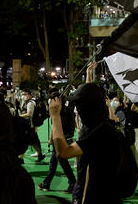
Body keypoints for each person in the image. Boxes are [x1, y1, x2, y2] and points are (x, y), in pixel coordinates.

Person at [49, 61, 123, 204]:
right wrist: (89, 74)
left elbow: (63, 152)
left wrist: (55, 117)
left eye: (79, 103)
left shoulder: (100, 132)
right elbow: (91, 95)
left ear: (87, 107)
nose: (77, 107)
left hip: (93, 195)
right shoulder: (105, 124)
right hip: (106, 194)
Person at [38, 89, 76, 194]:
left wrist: (53, 139)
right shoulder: (61, 110)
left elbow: (58, 127)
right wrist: (51, 138)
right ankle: (47, 182)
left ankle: (72, 182)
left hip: (62, 139)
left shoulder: (62, 112)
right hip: (60, 138)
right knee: (54, 161)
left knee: (60, 161)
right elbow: (54, 126)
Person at [19, 89, 45, 162]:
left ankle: (21, 158)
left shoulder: (30, 103)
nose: (23, 96)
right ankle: (40, 155)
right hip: (28, 126)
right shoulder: (25, 102)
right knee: (34, 141)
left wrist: (19, 116)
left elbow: (29, 114)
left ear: (29, 95)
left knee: (24, 141)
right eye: (22, 94)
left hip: (29, 126)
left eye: (25, 94)